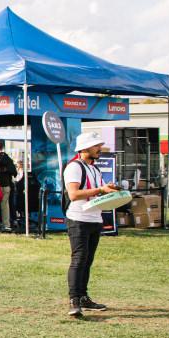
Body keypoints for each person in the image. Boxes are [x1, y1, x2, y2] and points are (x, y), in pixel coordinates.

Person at [63, 131, 119, 318]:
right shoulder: (74, 167)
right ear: (85, 148)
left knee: (87, 261)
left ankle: (83, 296)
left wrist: (109, 190)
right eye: (96, 146)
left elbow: (99, 191)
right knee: (79, 260)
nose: (99, 149)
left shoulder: (94, 169)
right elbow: (73, 194)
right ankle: (74, 300)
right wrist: (101, 189)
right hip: (79, 219)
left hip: (95, 219)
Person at [0, 141, 17, 231]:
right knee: (5, 205)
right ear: (3, 147)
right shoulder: (8, 159)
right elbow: (14, 172)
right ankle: (6, 224)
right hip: (6, 184)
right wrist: (6, 170)